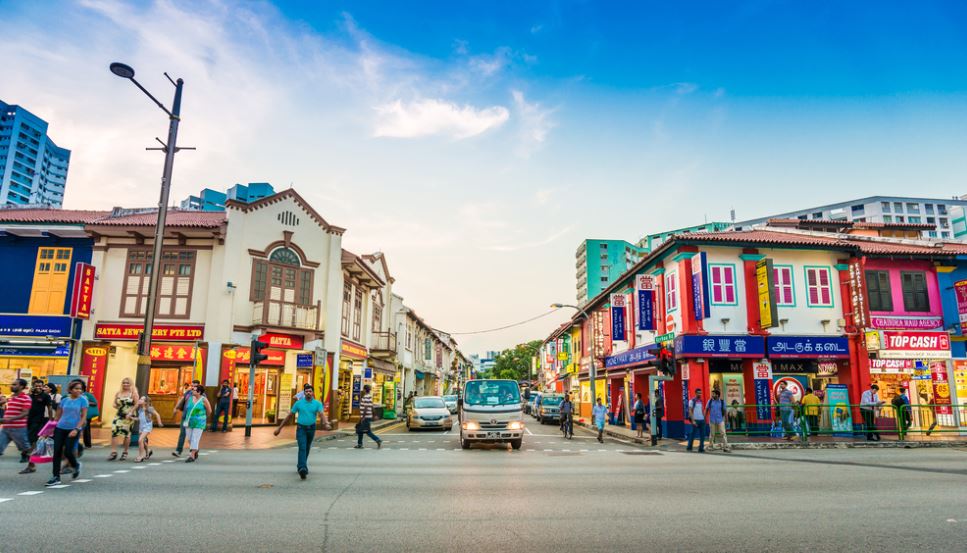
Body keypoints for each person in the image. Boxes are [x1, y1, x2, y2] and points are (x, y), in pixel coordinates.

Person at [274, 385, 331, 479]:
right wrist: (279, 428)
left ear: (313, 393)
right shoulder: (299, 403)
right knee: (302, 448)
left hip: (311, 429)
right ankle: (302, 468)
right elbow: (289, 416)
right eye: (306, 391)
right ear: (304, 393)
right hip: (301, 429)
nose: (308, 393)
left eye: (310, 391)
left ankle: (301, 464)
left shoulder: (317, 403)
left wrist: (326, 423)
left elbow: (322, 414)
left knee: (307, 448)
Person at [47, 380, 88, 486]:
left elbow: (83, 417)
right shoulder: (64, 400)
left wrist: (77, 429)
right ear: (70, 389)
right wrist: (50, 429)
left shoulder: (83, 400)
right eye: (76, 388)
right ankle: (56, 477)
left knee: (68, 451)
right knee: (57, 452)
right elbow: (57, 416)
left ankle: (76, 465)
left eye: (80, 388)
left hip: (73, 429)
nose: (78, 390)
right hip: (60, 428)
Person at [20, 379, 54, 475]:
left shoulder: (46, 396)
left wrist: (51, 421)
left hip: (38, 421)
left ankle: (31, 464)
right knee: (29, 441)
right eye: (36, 386)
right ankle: (30, 462)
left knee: (31, 441)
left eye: (40, 386)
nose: (38, 387)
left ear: (42, 387)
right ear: (33, 386)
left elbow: (50, 408)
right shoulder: (29, 396)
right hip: (28, 421)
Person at [0, 379, 32, 464]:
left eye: (14, 384)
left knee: (26, 448)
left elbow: (25, 413)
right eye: (12, 384)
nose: (12, 386)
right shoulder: (12, 397)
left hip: (18, 428)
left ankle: (32, 464)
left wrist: (10, 419)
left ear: (21, 386)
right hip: (6, 428)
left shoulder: (26, 398)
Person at [107, 378, 139, 461]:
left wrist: (130, 412)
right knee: (114, 431)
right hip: (119, 415)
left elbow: (136, 404)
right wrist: (115, 405)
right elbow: (114, 403)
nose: (125, 384)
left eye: (127, 383)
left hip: (128, 416)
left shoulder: (133, 393)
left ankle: (125, 452)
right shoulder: (119, 393)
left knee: (126, 434)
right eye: (124, 383)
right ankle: (113, 452)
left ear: (131, 384)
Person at [182, 384, 212, 463]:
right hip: (189, 421)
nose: (192, 391)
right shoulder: (190, 398)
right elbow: (187, 408)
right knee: (189, 438)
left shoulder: (204, 399)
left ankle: (192, 455)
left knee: (195, 438)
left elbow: (209, 410)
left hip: (199, 422)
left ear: (199, 392)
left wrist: (204, 417)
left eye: (194, 390)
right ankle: (196, 450)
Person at [172, 379, 201, 457]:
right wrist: (176, 408)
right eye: (192, 386)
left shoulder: (202, 394)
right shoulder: (188, 392)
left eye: (195, 386)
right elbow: (182, 400)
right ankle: (178, 451)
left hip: (194, 419)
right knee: (182, 434)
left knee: (192, 436)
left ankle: (193, 451)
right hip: (185, 417)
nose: (193, 387)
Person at [130, 396, 162, 462]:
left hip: (147, 427)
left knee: (140, 440)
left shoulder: (149, 408)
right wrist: (133, 418)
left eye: (142, 399)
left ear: (145, 402)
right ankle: (148, 452)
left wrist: (159, 423)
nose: (140, 400)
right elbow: (139, 418)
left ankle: (141, 455)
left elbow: (157, 414)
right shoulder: (140, 409)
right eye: (140, 398)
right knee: (143, 441)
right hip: (141, 427)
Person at [354, 384, 382, 449]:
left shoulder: (365, 397)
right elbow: (371, 406)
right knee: (360, 430)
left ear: (364, 390)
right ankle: (360, 444)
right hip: (367, 416)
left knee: (367, 431)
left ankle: (377, 440)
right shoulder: (369, 396)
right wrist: (374, 415)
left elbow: (366, 407)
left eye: (363, 389)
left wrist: (363, 417)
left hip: (365, 417)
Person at [686, 388, 706, 453]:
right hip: (695, 420)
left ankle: (701, 448)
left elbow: (702, 410)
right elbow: (690, 411)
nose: (700, 394)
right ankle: (689, 447)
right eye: (698, 393)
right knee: (692, 434)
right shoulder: (692, 401)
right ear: (695, 393)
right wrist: (693, 420)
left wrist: (704, 418)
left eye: (700, 393)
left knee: (702, 435)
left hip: (702, 420)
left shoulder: (701, 401)